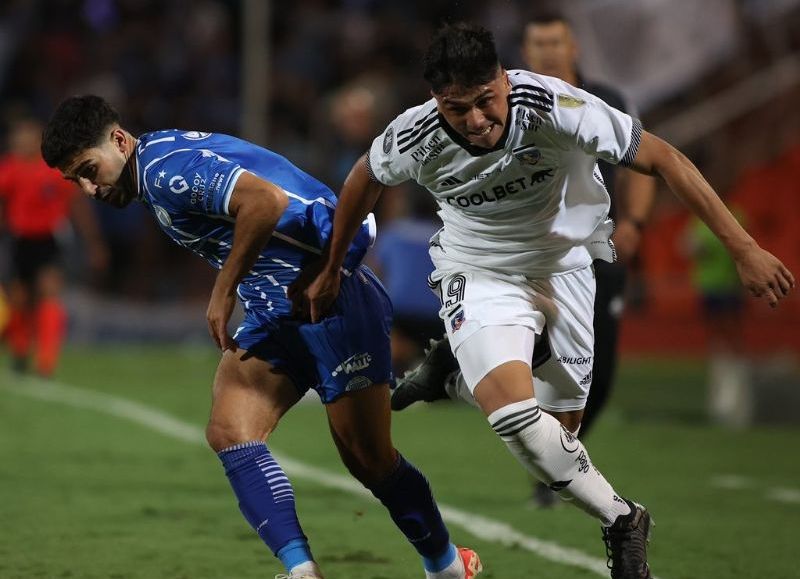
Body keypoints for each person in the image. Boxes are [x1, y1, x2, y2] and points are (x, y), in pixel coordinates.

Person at [294, 23, 795, 579]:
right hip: (478, 270)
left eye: (487, 101)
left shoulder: (554, 105)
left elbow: (664, 159)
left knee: (559, 435)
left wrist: (744, 248)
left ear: (504, 81)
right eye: (459, 109)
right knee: (512, 414)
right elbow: (365, 176)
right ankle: (624, 518)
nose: (478, 121)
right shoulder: (415, 135)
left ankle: (454, 371)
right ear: (438, 101)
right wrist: (334, 266)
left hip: (567, 267)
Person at [41, 95, 481, 579]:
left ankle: (445, 567)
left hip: (331, 301)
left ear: (119, 141)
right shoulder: (153, 167)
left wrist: (222, 291)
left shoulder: (165, 172)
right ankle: (301, 572)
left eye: (88, 169)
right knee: (230, 431)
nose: (87, 187)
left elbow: (263, 201)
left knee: (370, 461)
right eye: (74, 180)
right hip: (278, 313)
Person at [0, 116, 108, 376]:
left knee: (49, 292)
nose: (22, 143)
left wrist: (94, 243)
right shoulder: (9, 169)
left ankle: (46, 361)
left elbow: (78, 207)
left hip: (49, 239)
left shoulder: (55, 171)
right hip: (20, 240)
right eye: (18, 138)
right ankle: (21, 349)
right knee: (20, 298)